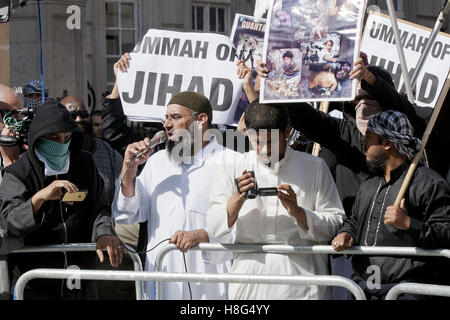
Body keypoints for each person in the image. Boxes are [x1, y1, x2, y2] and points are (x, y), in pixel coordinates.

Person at [207, 101, 345, 300]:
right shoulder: (233, 166)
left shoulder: (314, 167)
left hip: (302, 282)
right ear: (248, 133)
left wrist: (298, 212)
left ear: (287, 131)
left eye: (270, 141)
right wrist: (237, 199)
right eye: (257, 141)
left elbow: (334, 225)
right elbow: (214, 226)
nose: (264, 150)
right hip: (249, 280)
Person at [112, 88, 235, 300]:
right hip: (162, 279)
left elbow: (246, 224)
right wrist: (129, 169)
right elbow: (128, 213)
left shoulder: (230, 162)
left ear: (201, 120)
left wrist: (203, 235)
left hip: (211, 284)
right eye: (166, 118)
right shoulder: (156, 162)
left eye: (175, 117)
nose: (166, 125)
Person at [0, 100, 123, 299]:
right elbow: (9, 222)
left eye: (66, 138)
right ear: (38, 138)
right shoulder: (19, 173)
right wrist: (39, 198)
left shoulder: (84, 163)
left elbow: (100, 207)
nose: (61, 144)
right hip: (36, 283)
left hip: (81, 279)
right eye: (54, 138)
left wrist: (103, 232)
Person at [332, 110, 450, 300]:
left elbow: (445, 232)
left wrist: (409, 224)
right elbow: (354, 221)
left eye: (368, 137)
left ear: (387, 143)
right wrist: (347, 234)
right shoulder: (369, 184)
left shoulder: (429, 183)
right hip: (364, 287)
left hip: (406, 290)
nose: (363, 143)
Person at [60, 96, 123, 204]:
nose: (79, 119)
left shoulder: (108, 152)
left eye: (84, 115)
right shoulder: (53, 154)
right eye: (72, 115)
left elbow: (123, 191)